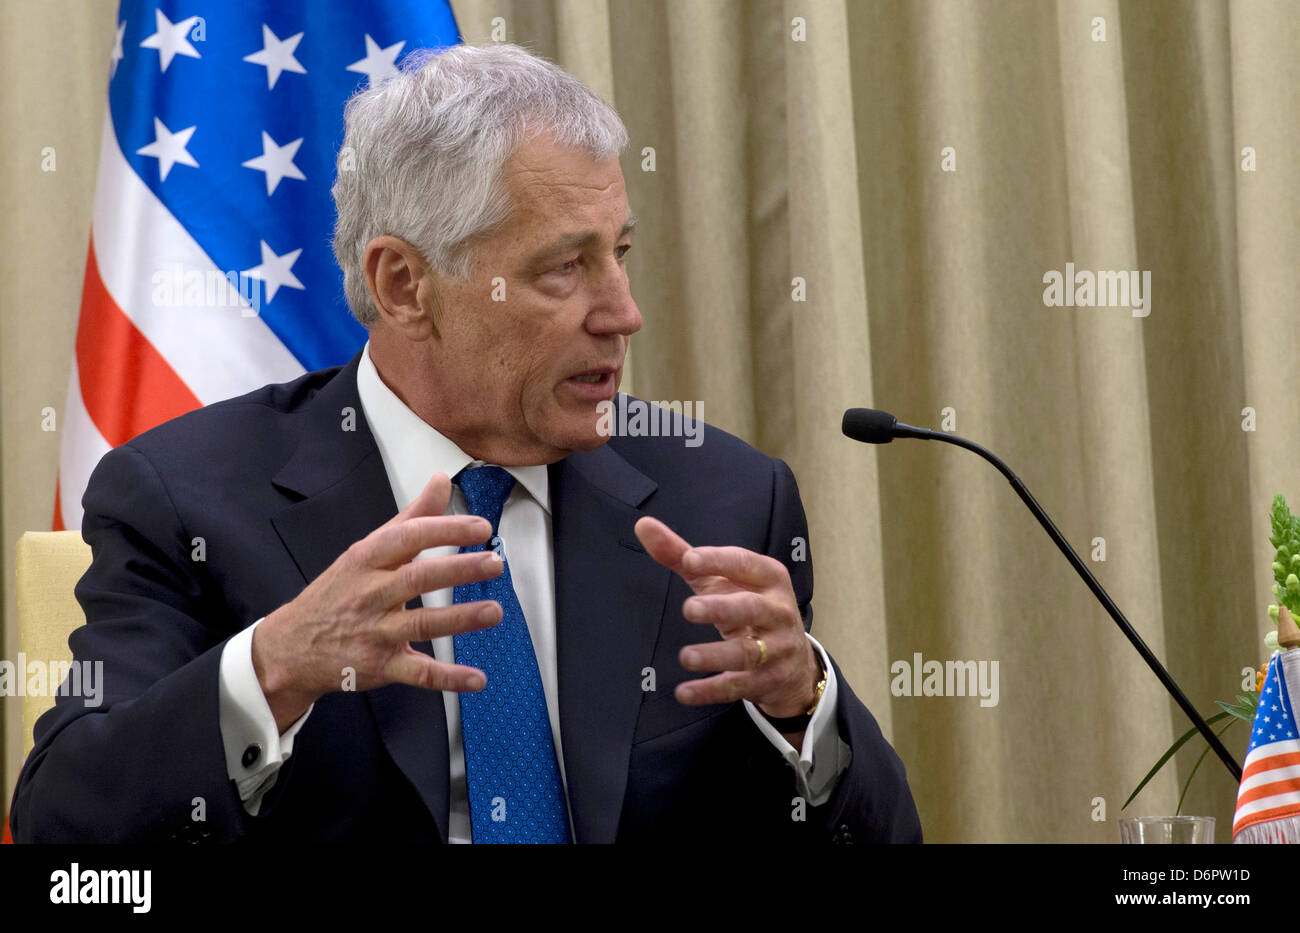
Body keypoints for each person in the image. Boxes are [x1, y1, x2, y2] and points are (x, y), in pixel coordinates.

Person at [10, 44, 920, 844]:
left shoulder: (723, 499)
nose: (623, 314)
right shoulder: (188, 501)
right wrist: (275, 668)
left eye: (619, 254)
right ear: (404, 285)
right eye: (564, 268)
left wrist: (804, 706)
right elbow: (67, 834)